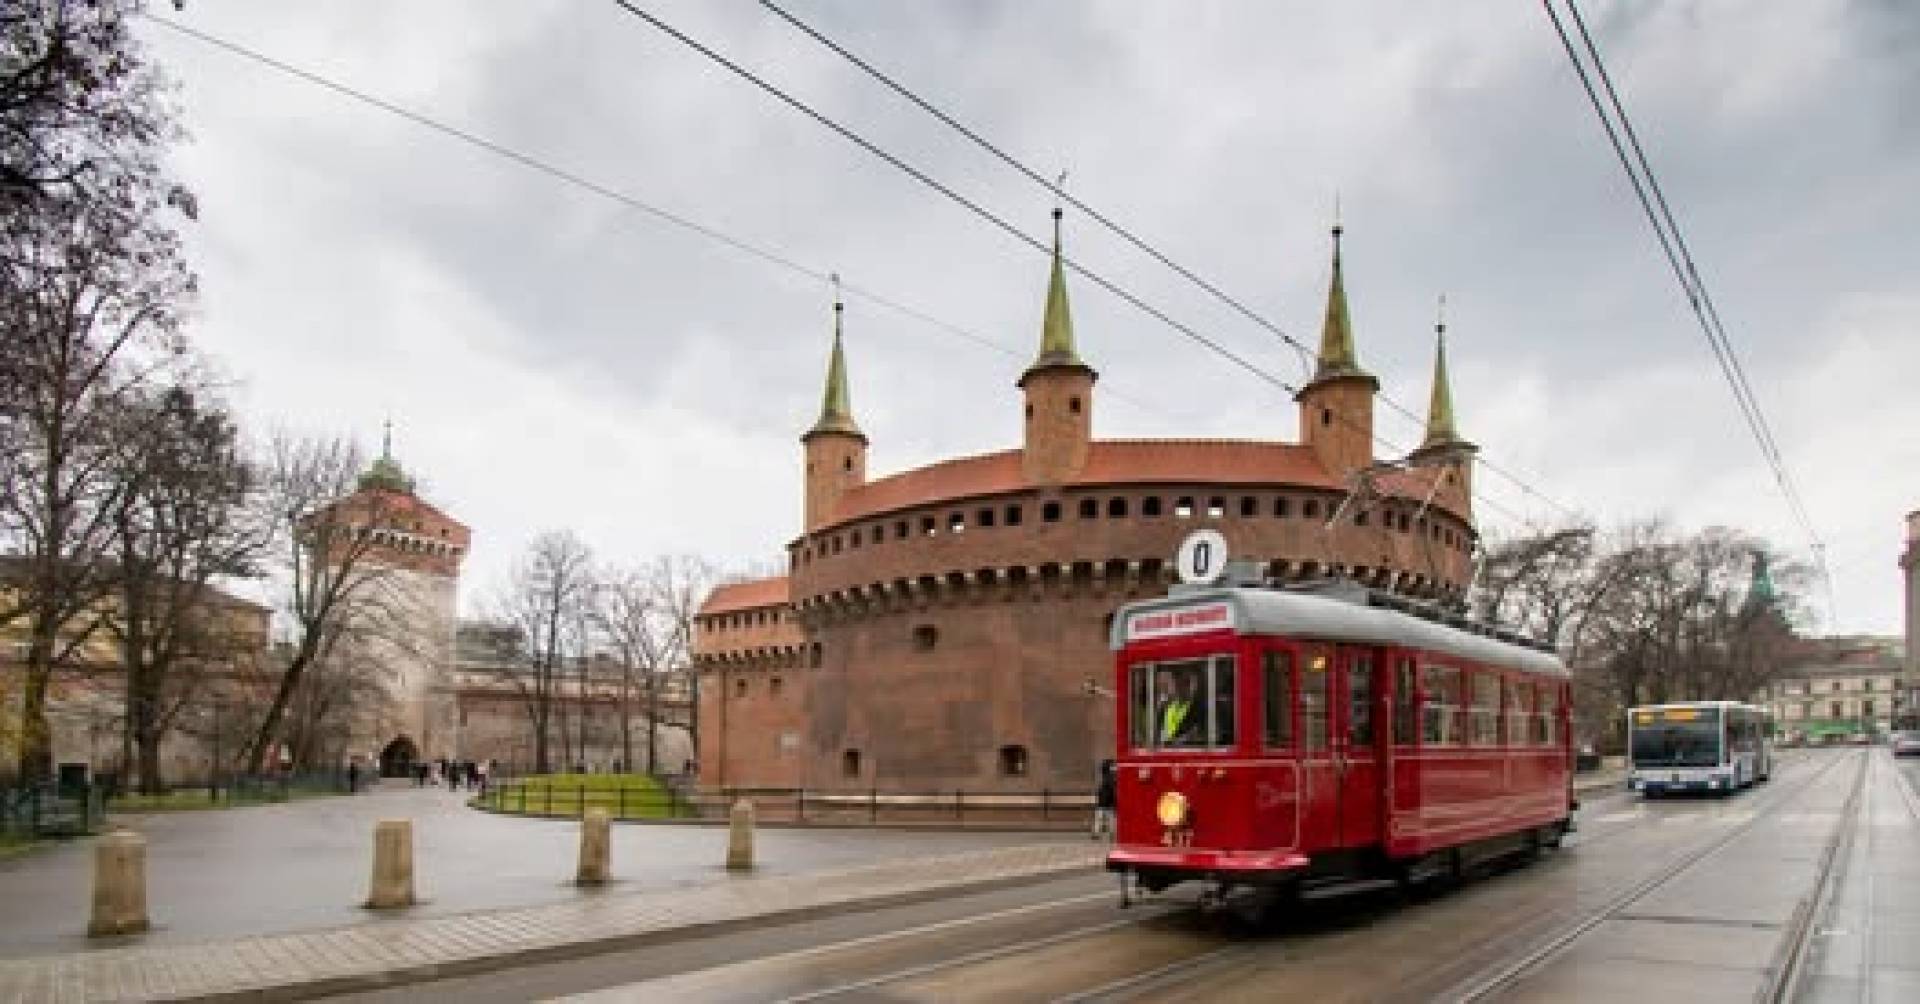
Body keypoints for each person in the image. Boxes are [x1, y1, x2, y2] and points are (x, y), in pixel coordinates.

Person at [1092, 759, 1117, 840]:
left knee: (1101, 818)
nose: (1114, 767)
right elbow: (1112, 789)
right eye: (1113, 766)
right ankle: (1111, 834)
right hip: (1108, 802)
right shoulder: (1110, 777)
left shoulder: (1106, 776)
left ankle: (1097, 833)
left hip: (1103, 801)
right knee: (1110, 819)